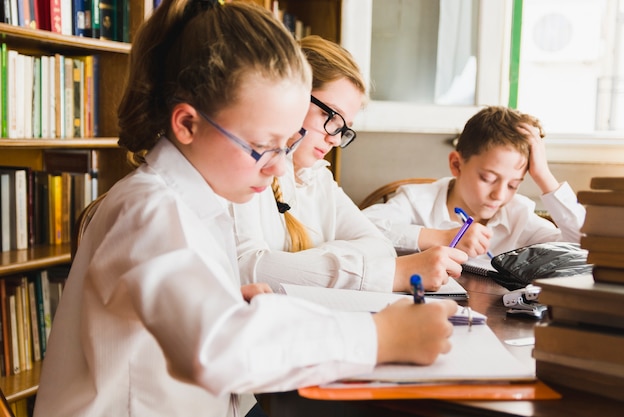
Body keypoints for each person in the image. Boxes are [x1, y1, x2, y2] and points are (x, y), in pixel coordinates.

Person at [33, 2, 459, 417]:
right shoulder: (148, 210)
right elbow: (215, 348)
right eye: (261, 147)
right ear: (186, 124)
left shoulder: (201, 202)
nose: (277, 166)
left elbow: (182, 316)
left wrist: (227, 301)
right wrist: (380, 336)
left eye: (284, 146)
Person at [230, 35, 467, 294]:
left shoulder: (316, 176)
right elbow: (246, 267)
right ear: (290, 96)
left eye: (344, 128)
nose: (333, 138)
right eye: (329, 114)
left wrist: (306, 265)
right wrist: (384, 272)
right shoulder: (246, 166)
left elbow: (380, 246)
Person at [362, 105, 586, 259]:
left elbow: (583, 246)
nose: (499, 195)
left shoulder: (518, 215)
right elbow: (361, 227)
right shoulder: (417, 201)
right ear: (457, 165)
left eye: (512, 185)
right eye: (488, 178)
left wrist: (543, 176)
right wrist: (443, 237)